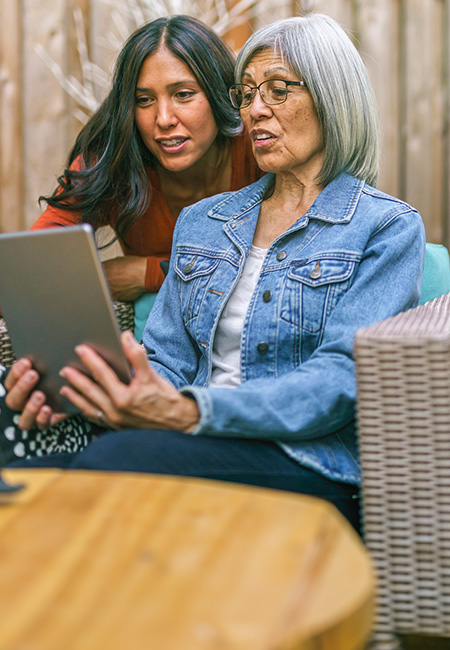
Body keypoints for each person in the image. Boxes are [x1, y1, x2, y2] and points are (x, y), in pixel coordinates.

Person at [0, 13, 425, 531]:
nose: (255, 110)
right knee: (20, 485)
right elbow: (166, 361)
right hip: (186, 441)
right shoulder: (205, 221)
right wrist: (95, 390)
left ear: (333, 96)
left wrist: (186, 411)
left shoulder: (387, 228)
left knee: (108, 468)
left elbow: (337, 382)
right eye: (247, 94)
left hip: (305, 463)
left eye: (277, 89)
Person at [32, 15, 260, 301]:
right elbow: (24, 274)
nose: (163, 119)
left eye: (183, 94)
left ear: (219, 93)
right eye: (144, 100)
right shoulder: (114, 159)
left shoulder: (257, 147)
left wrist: (149, 273)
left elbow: (297, 267)